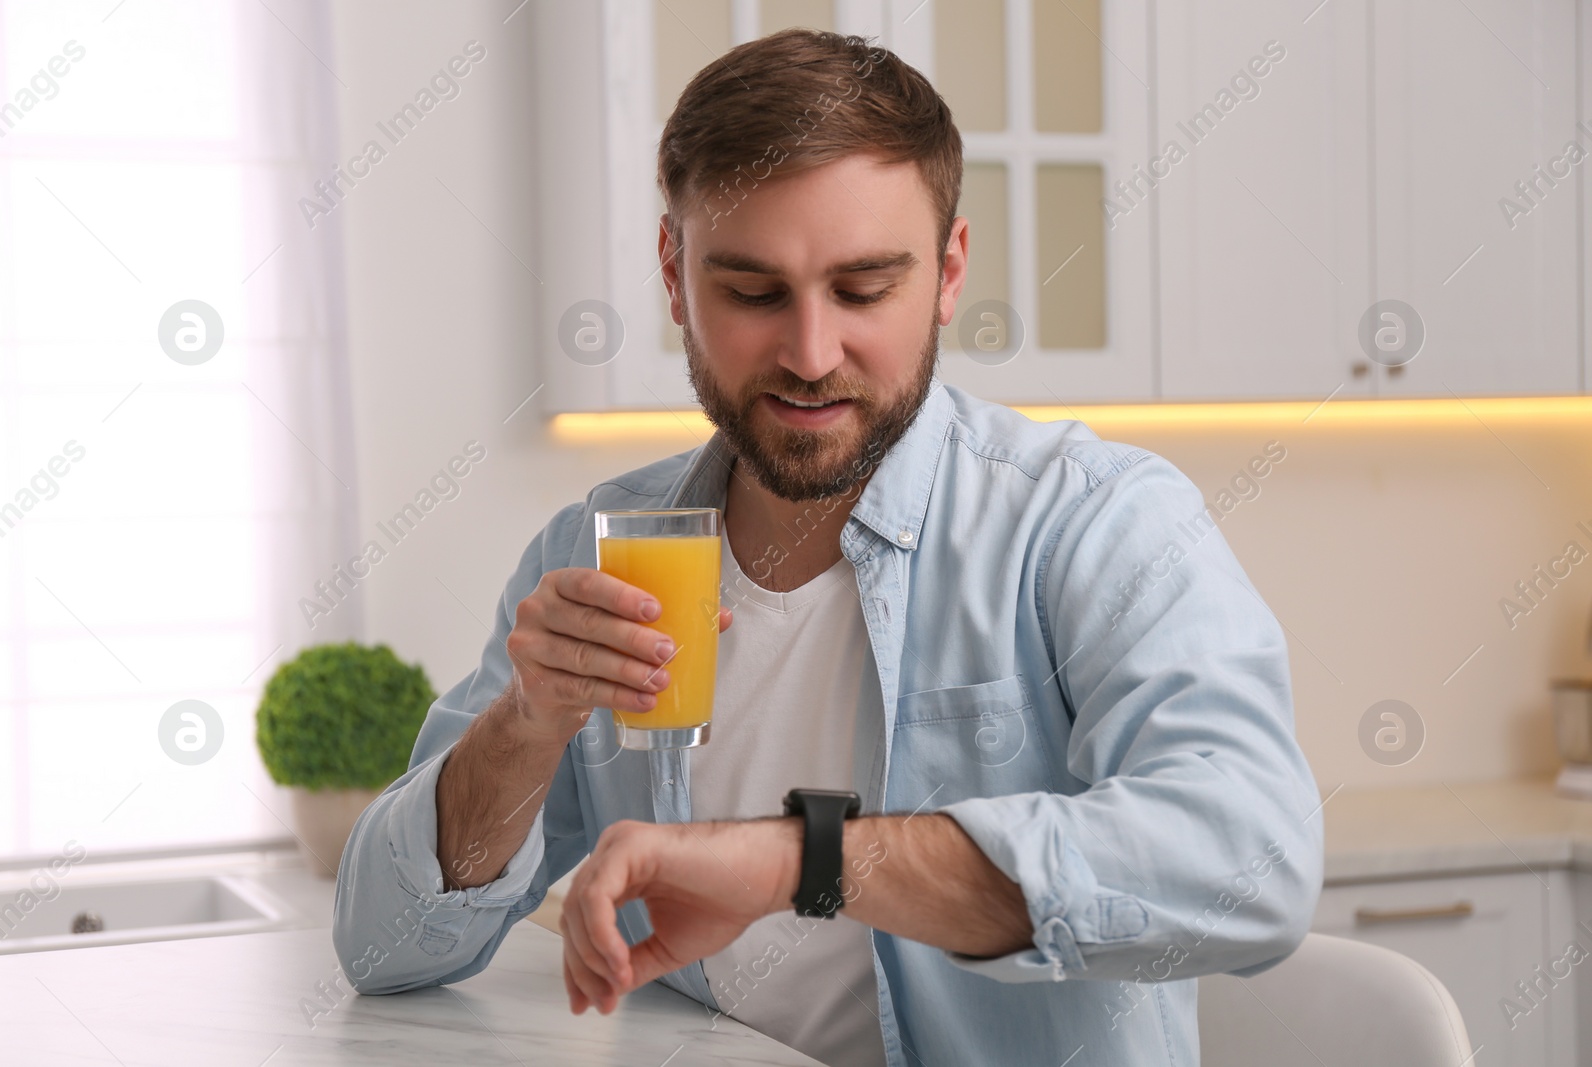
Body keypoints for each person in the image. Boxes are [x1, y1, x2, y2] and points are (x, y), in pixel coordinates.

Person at [333, 28, 1323, 1066]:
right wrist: (522, 728)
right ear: (674, 277)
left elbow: (1253, 858)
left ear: (947, 273)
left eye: (861, 289)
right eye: (753, 292)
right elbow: (382, 947)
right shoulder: (598, 548)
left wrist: (800, 861)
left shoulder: (1092, 522)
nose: (810, 355)